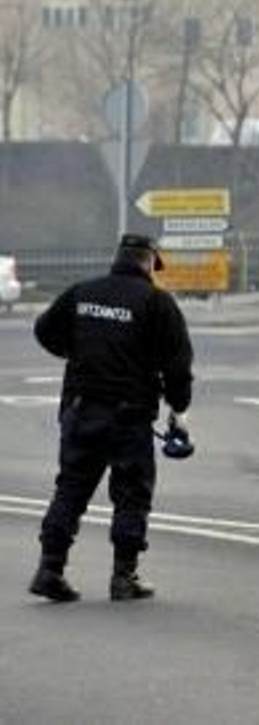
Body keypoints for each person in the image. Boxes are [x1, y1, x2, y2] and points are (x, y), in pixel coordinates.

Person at [28, 233, 194, 603]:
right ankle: (124, 576)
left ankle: (49, 569)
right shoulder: (156, 303)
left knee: (70, 489)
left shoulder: (82, 293)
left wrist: (78, 351)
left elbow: (44, 331)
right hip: (128, 417)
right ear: (148, 262)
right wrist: (178, 410)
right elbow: (178, 364)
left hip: (80, 410)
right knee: (131, 495)